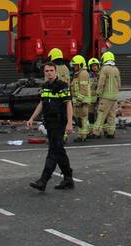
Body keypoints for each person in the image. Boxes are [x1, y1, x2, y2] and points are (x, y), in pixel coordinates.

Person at [26, 62, 74, 191]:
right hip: (49, 123)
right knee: (59, 151)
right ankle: (68, 179)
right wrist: (32, 118)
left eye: (51, 70)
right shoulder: (45, 86)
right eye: (46, 71)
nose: (49, 73)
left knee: (53, 151)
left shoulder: (62, 86)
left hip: (59, 123)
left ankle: (43, 180)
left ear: (56, 72)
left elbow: (68, 104)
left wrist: (70, 123)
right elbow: (41, 104)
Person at [90, 51, 121, 138]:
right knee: (112, 115)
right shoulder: (116, 69)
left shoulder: (104, 69)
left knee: (101, 114)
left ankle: (95, 132)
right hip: (115, 97)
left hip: (106, 97)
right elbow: (119, 84)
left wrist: (98, 93)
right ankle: (111, 132)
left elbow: (101, 83)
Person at [69, 55, 93, 141]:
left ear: (81, 64)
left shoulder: (83, 74)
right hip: (78, 100)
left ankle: (83, 136)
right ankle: (83, 135)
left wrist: (78, 100)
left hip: (82, 101)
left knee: (82, 118)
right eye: (74, 65)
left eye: (76, 65)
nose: (74, 67)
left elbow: (83, 90)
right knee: (79, 118)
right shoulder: (78, 74)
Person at [87, 57, 101, 127]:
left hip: (99, 98)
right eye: (93, 66)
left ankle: (98, 129)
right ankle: (91, 129)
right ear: (90, 67)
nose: (94, 67)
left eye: (96, 65)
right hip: (91, 100)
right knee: (91, 114)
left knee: (100, 114)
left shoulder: (101, 75)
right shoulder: (88, 76)